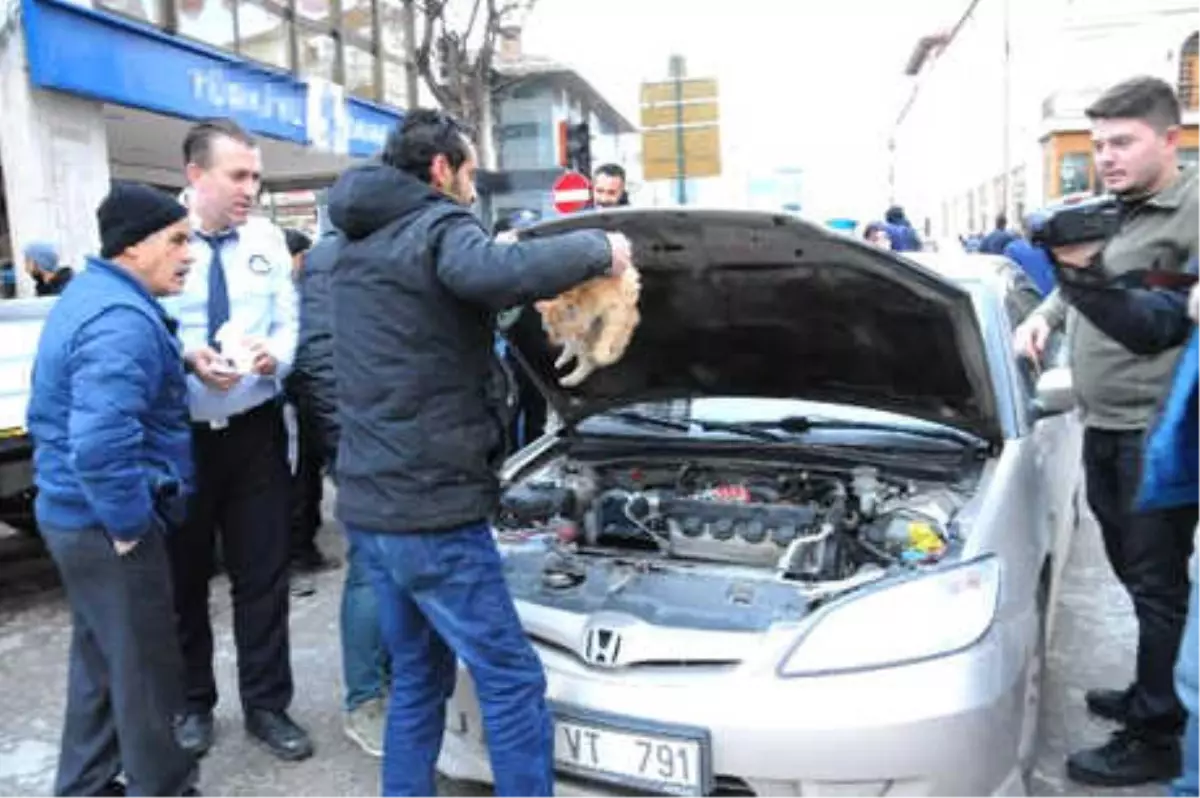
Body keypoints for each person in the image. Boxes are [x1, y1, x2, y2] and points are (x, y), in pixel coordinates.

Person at [327, 108, 631, 796]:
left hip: (372, 507)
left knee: (417, 679)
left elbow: (455, 287)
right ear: (442, 169)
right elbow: (490, 275)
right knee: (512, 680)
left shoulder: (355, 242)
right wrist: (599, 251)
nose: (472, 186)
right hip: (431, 510)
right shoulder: (437, 224)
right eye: (468, 171)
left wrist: (508, 249)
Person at [1013, 75, 1200, 786]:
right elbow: (1082, 283)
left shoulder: (1192, 208)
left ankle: (1158, 732)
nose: (1107, 157)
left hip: (1158, 435)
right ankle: (1155, 692)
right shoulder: (1113, 211)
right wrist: (1042, 316)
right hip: (1104, 424)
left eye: (1122, 142)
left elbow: (1155, 314)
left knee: (1155, 584)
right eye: (1097, 145)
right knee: (1135, 573)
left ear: (1169, 139)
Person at [27, 181, 199, 798]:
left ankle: (86, 785)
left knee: (101, 664)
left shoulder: (98, 296)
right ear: (132, 247)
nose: (189, 253)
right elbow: (100, 445)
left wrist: (185, 359)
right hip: (105, 525)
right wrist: (128, 526)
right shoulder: (121, 319)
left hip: (75, 518)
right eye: (177, 240)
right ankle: (165, 787)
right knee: (146, 671)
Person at [161, 119, 311, 763]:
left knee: (263, 575)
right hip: (180, 437)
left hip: (253, 432)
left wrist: (273, 359)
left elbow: (288, 321)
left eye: (256, 175)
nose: (252, 187)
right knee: (182, 580)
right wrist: (186, 358)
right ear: (197, 176)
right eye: (238, 175)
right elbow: (140, 324)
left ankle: (268, 704)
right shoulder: (157, 239)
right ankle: (193, 702)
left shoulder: (269, 239)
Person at [288, 222, 392, 757]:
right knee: (371, 566)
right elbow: (319, 360)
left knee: (400, 567)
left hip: (403, 440)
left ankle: (396, 681)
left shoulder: (407, 240)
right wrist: (346, 446)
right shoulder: (333, 258)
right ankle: (365, 700)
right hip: (362, 443)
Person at [282, 226, 337, 578]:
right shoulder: (297, 293)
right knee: (301, 475)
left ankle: (301, 547)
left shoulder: (298, 291)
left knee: (302, 473)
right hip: (301, 396)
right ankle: (299, 550)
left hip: (300, 392)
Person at [1001, 214, 1057, 297]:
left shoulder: (1013, 248)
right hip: (1052, 297)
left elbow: (1008, 277)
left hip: (1028, 298)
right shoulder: (1052, 246)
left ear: (1023, 229)